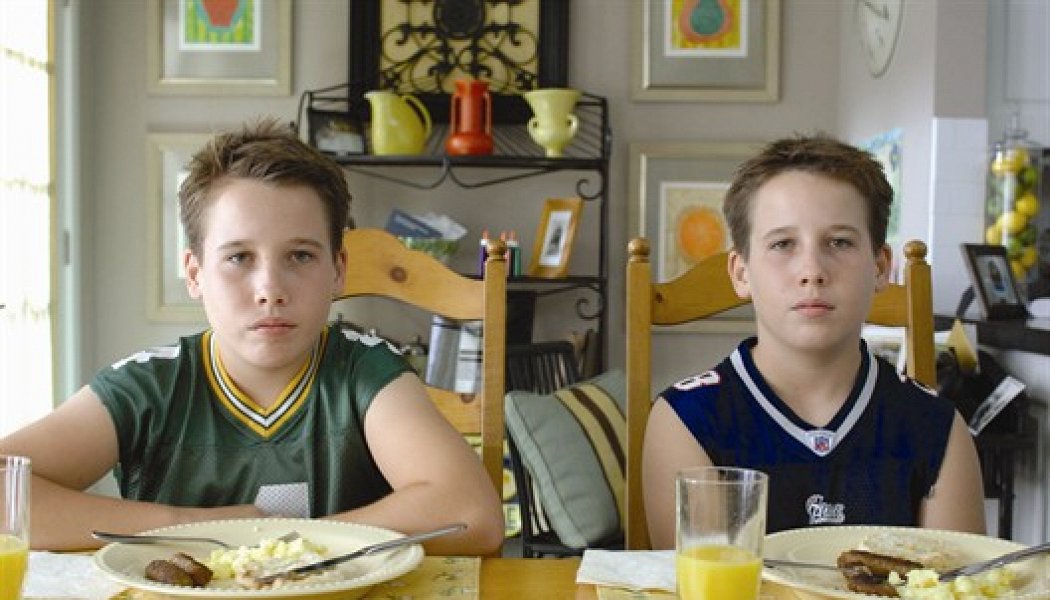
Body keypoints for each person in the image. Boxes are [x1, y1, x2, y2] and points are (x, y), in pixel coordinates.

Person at [0, 119, 504, 554]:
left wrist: (281, 544)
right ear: (195, 273)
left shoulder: (365, 372)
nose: (270, 290)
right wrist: (195, 528)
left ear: (337, 270)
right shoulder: (149, 386)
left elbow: (472, 514)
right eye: (239, 257)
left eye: (300, 256)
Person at [642, 135, 986, 548]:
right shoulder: (687, 420)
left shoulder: (938, 426)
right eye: (782, 244)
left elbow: (960, 580)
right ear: (741, 273)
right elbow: (702, 580)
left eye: (839, 242)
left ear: (880, 268)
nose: (812, 271)